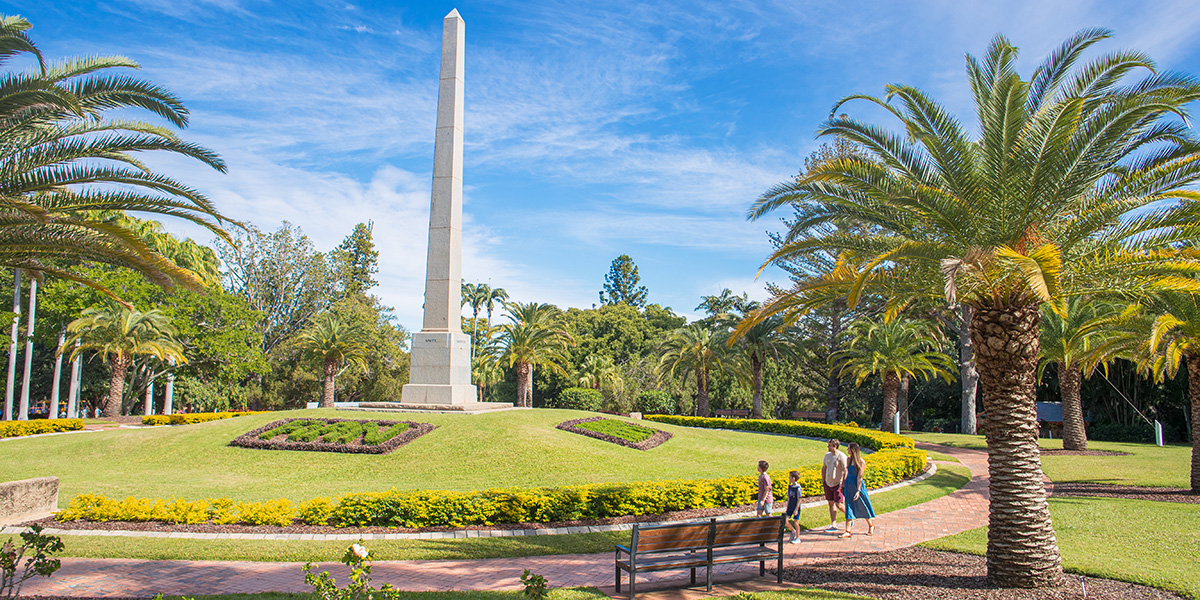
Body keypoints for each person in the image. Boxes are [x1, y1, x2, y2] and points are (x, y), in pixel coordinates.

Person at [840, 442, 876, 538]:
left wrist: (858, 490)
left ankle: (871, 525)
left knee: (862, 505)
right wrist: (843, 483)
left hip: (857, 486)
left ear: (852, 450)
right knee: (848, 506)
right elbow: (846, 471)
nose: (847, 450)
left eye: (848, 449)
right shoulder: (848, 460)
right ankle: (848, 531)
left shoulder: (861, 462)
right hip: (848, 485)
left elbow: (860, 477)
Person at [821, 438, 847, 532]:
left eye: (830, 446)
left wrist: (842, 483)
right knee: (831, 503)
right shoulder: (827, 456)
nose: (828, 447)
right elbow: (824, 468)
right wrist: (823, 480)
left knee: (839, 504)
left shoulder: (841, 456)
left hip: (837, 484)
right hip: (828, 483)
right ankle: (833, 524)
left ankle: (849, 517)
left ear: (835, 446)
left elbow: (845, 470)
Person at [784, 470, 802, 543]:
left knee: (796, 522)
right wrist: (787, 506)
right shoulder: (790, 487)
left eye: (790, 477)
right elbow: (789, 497)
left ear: (794, 478)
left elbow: (799, 499)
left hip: (795, 507)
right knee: (785, 520)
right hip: (790, 506)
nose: (789, 478)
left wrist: (796, 509)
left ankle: (798, 537)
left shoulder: (798, 488)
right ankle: (793, 530)